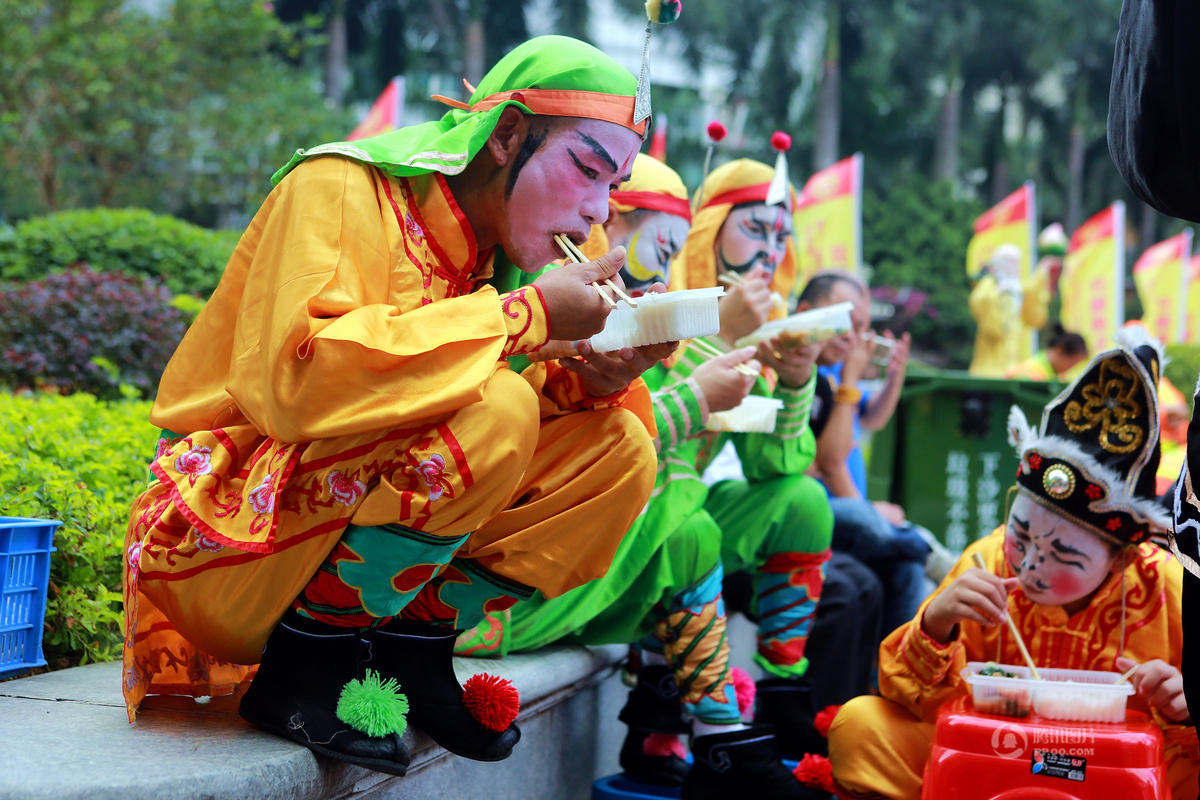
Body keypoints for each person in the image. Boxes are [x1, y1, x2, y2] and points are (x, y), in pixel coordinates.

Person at [121, 35, 677, 776]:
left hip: (321, 548)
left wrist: (603, 375)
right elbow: (294, 387)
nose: (594, 212)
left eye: (615, 187)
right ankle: (306, 667)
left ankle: (413, 650)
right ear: (507, 134)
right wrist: (523, 317)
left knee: (619, 453)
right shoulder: (340, 186)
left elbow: (542, 415)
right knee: (498, 403)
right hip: (220, 544)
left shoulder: (516, 245)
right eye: (586, 170)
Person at [460, 154, 832, 799]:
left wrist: (795, 381)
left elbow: (777, 464)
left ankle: (777, 694)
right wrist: (705, 369)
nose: (771, 252)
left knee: (798, 503)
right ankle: (698, 734)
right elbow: (599, 440)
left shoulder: (685, 316)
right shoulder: (560, 302)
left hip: (641, 518)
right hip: (542, 535)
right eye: (754, 230)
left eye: (782, 235)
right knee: (682, 513)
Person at [828, 329, 1200, 800]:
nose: (1031, 564)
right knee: (861, 728)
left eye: (1064, 554)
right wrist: (937, 623)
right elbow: (910, 702)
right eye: (1022, 537)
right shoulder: (986, 559)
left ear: (1121, 557)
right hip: (989, 756)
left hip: (1115, 772)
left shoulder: (1169, 586)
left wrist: (1186, 704)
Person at [799, 271, 932, 638]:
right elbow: (829, 461)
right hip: (824, 511)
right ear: (806, 310)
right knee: (879, 526)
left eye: (861, 327)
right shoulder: (801, 373)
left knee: (906, 569)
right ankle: (925, 547)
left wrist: (894, 378)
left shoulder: (837, 373)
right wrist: (852, 381)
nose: (852, 337)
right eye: (845, 320)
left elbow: (871, 417)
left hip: (847, 508)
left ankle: (889, 678)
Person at [967, 243, 1051, 378]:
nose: (1012, 267)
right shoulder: (989, 286)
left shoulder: (1017, 288)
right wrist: (1000, 295)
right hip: (989, 361)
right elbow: (981, 304)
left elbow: (1033, 315)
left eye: (1015, 263)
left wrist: (1042, 271)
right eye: (1008, 262)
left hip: (1014, 360)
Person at [1003, 325, 1089, 382]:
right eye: (1071, 364)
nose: (1069, 369)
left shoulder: (1057, 376)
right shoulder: (1033, 371)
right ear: (1060, 350)